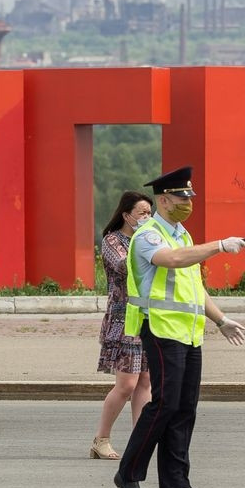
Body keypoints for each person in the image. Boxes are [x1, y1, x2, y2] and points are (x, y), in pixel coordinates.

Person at [114, 166, 245, 488]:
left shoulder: (182, 235)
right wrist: (218, 245)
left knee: (185, 407)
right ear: (163, 199)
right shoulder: (149, 234)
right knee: (164, 405)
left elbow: (194, 287)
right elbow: (171, 261)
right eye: (181, 196)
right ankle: (128, 474)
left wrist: (220, 320)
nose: (188, 202)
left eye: (190, 196)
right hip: (159, 329)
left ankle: (175, 482)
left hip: (188, 333)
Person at [90, 191, 154, 460]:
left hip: (149, 318)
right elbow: (126, 266)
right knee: (126, 384)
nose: (147, 218)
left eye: (150, 213)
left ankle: (140, 442)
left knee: (146, 382)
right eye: (142, 213)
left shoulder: (152, 241)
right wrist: (151, 248)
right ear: (126, 215)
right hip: (123, 319)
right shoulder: (113, 241)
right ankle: (101, 439)